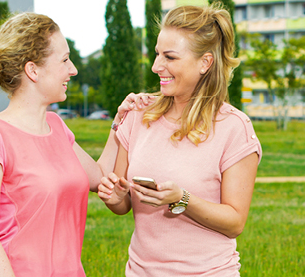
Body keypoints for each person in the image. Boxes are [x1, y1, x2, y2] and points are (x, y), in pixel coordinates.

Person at [0, 13, 152, 276]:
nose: (73, 69)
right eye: (64, 60)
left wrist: (119, 121)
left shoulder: (56, 126)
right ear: (33, 70)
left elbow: (100, 176)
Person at [96, 4, 262, 276]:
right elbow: (123, 203)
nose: (156, 66)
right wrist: (114, 198)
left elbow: (235, 222)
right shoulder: (139, 114)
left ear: (205, 63)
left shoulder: (234, 127)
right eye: (157, 54)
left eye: (170, 57)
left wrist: (183, 199)